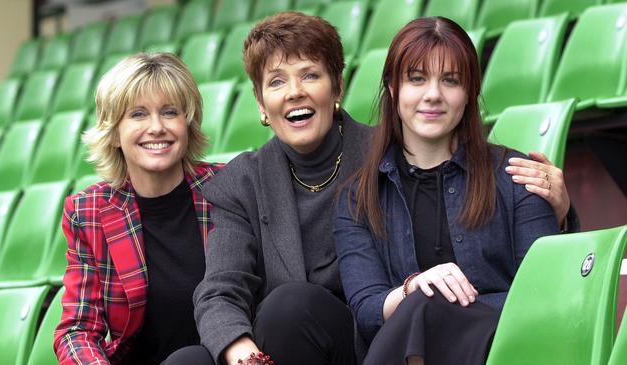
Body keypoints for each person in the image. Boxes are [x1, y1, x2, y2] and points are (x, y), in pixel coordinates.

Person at [168, 12, 575, 365]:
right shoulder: (264, 184)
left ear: (338, 88)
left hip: (403, 339)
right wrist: (248, 356)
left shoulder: (396, 152)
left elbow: (542, 289)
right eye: (277, 82)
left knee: (326, 307)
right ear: (259, 103)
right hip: (303, 339)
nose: (295, 91)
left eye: (310, 75)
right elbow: (221, 291)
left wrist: (560, 210)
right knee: (201, 354)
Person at [334, 17, 561, 365]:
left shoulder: (515, 175)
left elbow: (542, 293)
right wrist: (416, 288)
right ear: (393, 88)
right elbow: (367, 311)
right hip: (409, 345)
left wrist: (437, 303)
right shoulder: (357, 199)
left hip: (501, 340)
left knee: (428, 305)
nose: (433, 95)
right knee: (422, 302)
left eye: (450, 81)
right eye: (417, 79)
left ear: (469, 92)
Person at [54, 53, 220, 365]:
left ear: (188, 124)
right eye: (138, 115)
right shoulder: (88, 211)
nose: (156, 127)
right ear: (114, 132)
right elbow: (78, 329)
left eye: (170, 112)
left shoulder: (226, 187)